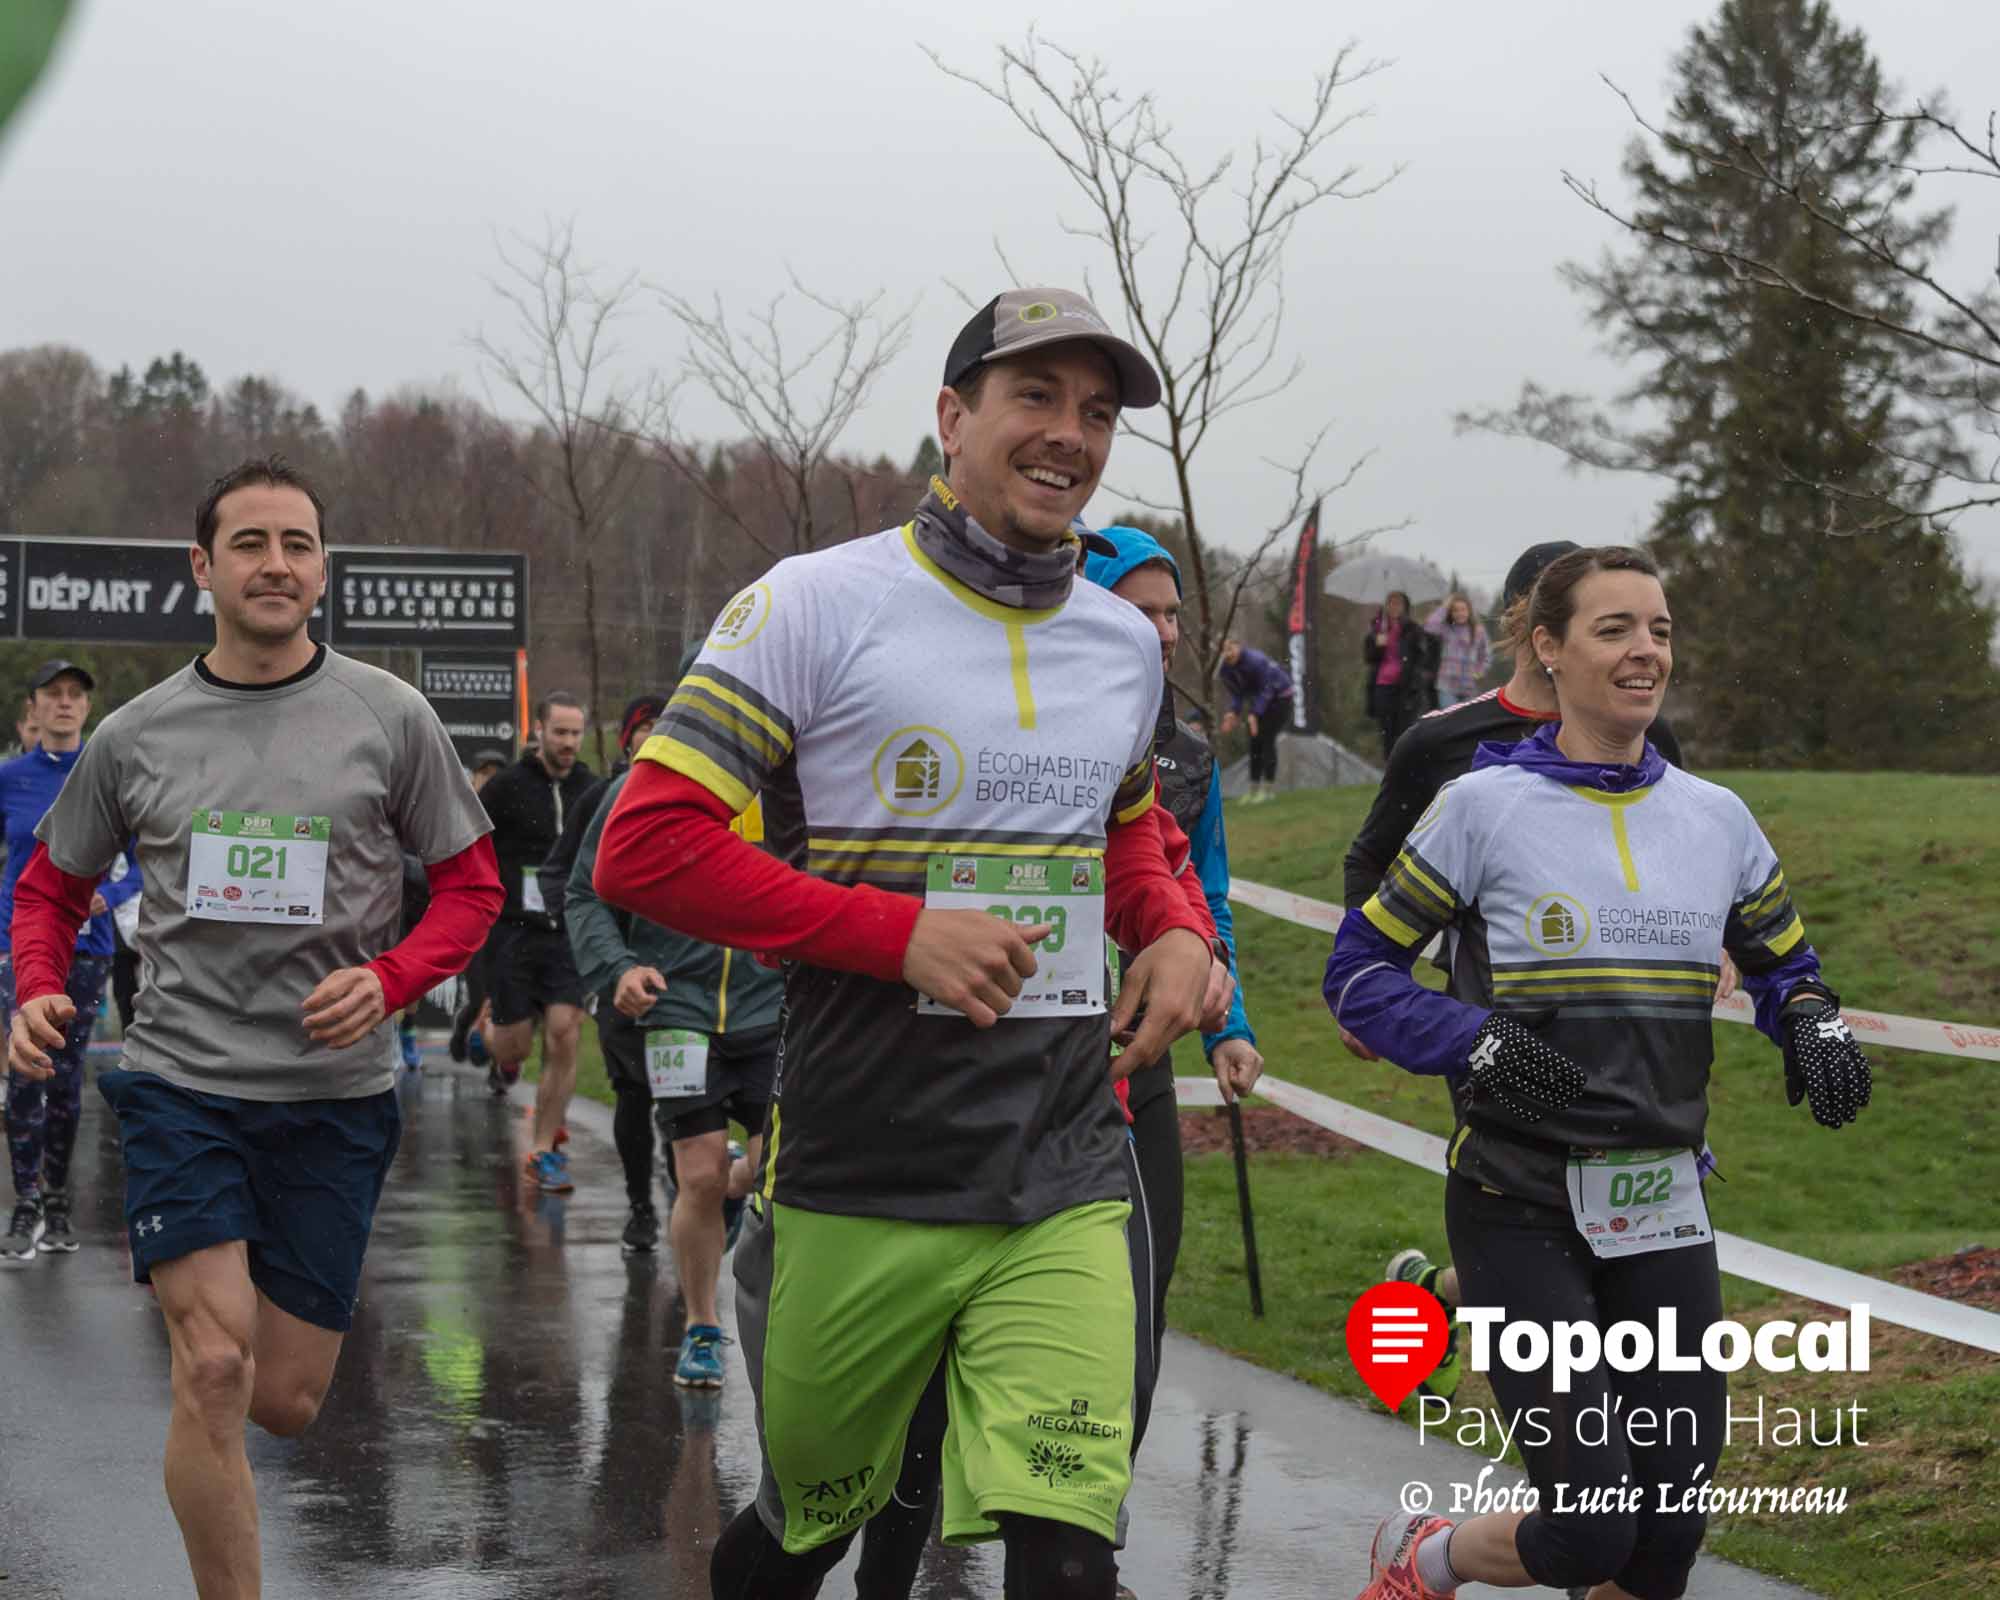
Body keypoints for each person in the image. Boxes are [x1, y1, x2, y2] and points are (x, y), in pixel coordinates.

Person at [594, 285, 1214, 1600]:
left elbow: (1127, 832)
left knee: (1068, 1556)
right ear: (951, 415)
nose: (1070, 434)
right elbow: (643, 847)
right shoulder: (815, 604)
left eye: (1096, 412)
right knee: (802, 1535)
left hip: (1060, 1166)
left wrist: (1169, 929)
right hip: (863, 1166)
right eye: (1034, 396)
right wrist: (897, 935)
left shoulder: (1123, 645)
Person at [1323, 545, 1872, 1600]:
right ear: (1549, 647)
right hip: (1517, 1199)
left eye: (1658, 630)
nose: (1643, 651)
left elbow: (1785, 964)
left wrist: (1809, 1020)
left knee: (1663, 1544)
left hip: (1662, 1203)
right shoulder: (1481, 807)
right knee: (1588, 1529)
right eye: (1613, 629)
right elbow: (1359, 974)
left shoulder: (1714, 818)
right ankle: (1425, 1555)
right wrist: (1473, 1041)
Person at [8, 455, 501, 1600]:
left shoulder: (391, 716)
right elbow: (49, 889)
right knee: (215, 1364)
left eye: (296, 544)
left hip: (333, 1097)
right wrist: (36, 985)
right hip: (181, 1081)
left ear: (322, 569)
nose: (275, 564)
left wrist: (390, 978)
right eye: (249, 543)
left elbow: (471, 888)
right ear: (202, 565)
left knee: (284, 1396)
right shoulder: (136, 734)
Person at [568, 761, 774, 1382]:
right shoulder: (647, 782)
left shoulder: (798, 780)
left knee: (774, 1170)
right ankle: (701, 1327)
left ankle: (738, 1186)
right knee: (698, 1174)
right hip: (677, 1009)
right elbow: (585, 892)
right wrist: (619, 969)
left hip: (773, 1007)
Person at [0, 659, 138, 1258]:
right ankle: (24, 1201)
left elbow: (145, 863)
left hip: (89, 948)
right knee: (24, 1072)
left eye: (74, 694)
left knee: (66, 1077)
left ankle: (58, 1200)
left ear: (87, 707)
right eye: (52, 694)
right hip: (20, 945)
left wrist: (114, 893)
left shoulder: (107, 774)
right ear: (33, 706)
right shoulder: (10, 778)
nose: (63, 702)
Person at [476, 694, 595, 1190]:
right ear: (539, 731)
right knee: (515, 1048)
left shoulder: (591, 788)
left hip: (568, 930)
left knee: (565, 1033)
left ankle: (543, 1150)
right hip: (514, 930)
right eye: (560, 732)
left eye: (575, 733)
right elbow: (473, 844)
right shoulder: (506, 787)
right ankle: (488, 1031)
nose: (568, 743)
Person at [1216, 637, 1294, 804]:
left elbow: (1267, 690)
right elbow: (1238, 694)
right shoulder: (1225, 669)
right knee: (1254, 743)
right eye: (1223, 650)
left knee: (1266, 740)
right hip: (1259, 702)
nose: (1228, 653)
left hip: (1280, 699)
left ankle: (1268, 790)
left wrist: (1254, 714)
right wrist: (1233, 712)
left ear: (1238, 646)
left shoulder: (1256, 661)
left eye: (1230, 648)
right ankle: (1253, 790)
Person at [1362, 590, 1436, 762]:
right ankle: (1389, 764)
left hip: (1406, 686)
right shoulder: (1377, 628)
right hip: (1382, 685)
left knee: (1403, 730)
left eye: (1398, 603)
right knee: (1386, 730)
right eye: (1391, 603)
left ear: (1405, 606)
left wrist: (1419, 676)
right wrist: (1378, 645)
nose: (1394, 607)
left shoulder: (1412, 629)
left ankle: (1402, 764)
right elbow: (1369, 658)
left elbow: (1422, 656)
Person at [1423, 591, 1490, 709]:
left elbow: (1486, 655)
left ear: (1469, 611)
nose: (1460, 613)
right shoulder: (1446, 629)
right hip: (1447, 686)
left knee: (1467, 719)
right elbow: (1429, 626)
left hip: (1469, 687)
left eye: (1463, 610)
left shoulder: (1478, 631)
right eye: (1455, 610)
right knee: (1450, 717)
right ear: (1451, 613)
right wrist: (1444, 606)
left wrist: (1479, 671)